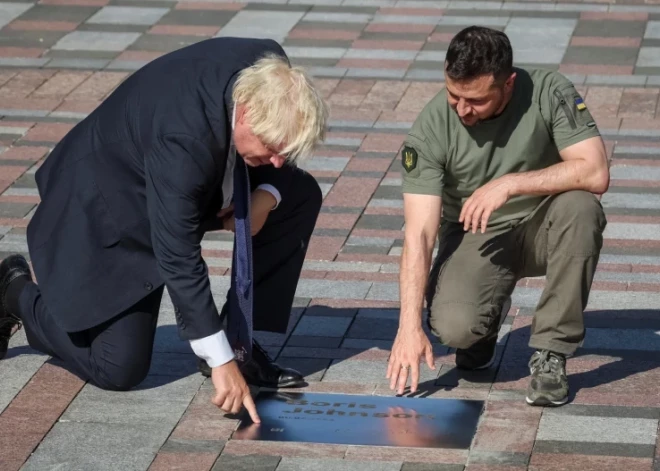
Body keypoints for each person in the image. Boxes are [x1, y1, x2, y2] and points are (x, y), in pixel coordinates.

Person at [0, 37, 329, 422]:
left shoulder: (274, 73)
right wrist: (219, 362)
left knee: (298, 192)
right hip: (108, 204)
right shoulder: (183, 141)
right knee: (118, 367)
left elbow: (274, 165)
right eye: (271, 147)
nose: (276, 161)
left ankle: (238, 340)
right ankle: (13, 290)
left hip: (179, 182)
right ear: (245, 115)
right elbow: (178, 254)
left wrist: (266, 197)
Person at [386, 26, 609, 407]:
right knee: (455, 329)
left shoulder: (548, 92)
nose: (461, 109)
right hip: (477, 235)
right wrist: (407, 326)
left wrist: (510, 183)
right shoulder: (431, 128)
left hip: (547, 222)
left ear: (508, 84)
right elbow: (419, 235)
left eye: (475, 101)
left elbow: (595, 172)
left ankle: (551, 352)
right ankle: (486, 321)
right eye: (453, 94)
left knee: (582, 207)